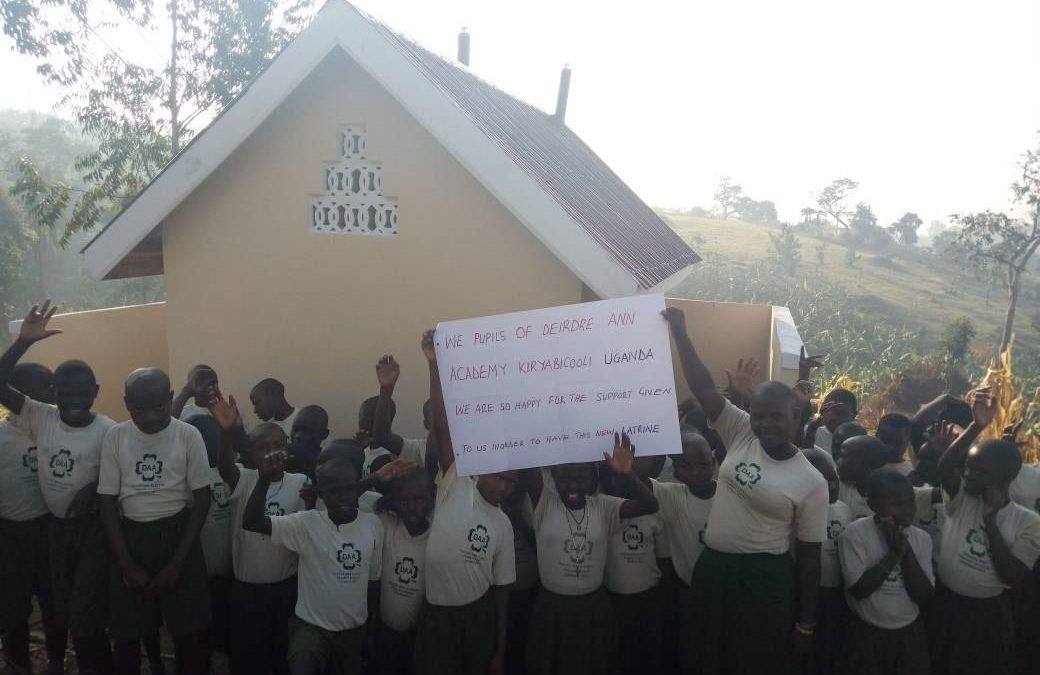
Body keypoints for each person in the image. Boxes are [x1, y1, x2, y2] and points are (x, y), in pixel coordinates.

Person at [664, 306, 828, 674]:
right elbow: (703, 387)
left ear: (796, 417)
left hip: (762, 583)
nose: (765, 423)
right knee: (702, 655)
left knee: (749, 660)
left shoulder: (811, 482)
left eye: (776, 416)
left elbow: (809, 559)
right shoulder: (741, 431)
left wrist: (806, 622)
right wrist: (680, 333)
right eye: (759, 414)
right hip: (713, 571)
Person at [0, 301, 116, 673]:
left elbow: (120, 475)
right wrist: (22, 343)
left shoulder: (104, 430)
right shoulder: (37, 417)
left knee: (71, 608)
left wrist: (96, 487)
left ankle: (77, 663)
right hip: (34, 532)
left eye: (83, 392)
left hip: (74, 530)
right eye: (62, 392)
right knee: (38, 608)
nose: (71, 398)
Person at [97, 368, 213, 674]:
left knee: (190, 635)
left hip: (179, 536)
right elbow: (107, 501)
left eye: (159, 407)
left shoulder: (188, 435)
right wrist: (126, 564)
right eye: (138, 409)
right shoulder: (116, 436)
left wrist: (177, 564)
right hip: (130, 539)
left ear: (171, 398)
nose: (149, 417)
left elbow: (202, 499)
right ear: (126, 403)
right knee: (126, 635)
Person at [413, 330, 516, 675]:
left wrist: (500, 652)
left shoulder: (503, 525)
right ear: (481, 470)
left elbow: (502, 593)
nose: (503, 487)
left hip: (478, 615)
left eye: (509, 482)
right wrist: (435, 364)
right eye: (497, 477)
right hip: (435, 613)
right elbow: (443, 426)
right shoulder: (456, 483)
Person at [522, 433, 659, 675]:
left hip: (593, 607)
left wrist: (627, 474)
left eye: (580, 478)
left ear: (592, 479)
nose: (572, 486)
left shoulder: (605, 506)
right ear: (553, 479)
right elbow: (528, 460)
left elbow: (650, 505)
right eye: (565, 478)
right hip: (551, 607)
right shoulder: (544, 502)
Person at [242, 449, 383, 675]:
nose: (344, 496)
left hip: (354, 629)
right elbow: (252, 522)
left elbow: (374, 582)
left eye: (349, 488)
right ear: (322, 494)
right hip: (311, 628)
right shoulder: (307, 524)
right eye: (334, 491)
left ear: (357, 487)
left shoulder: (373, 525)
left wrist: (372, 632)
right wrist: (263, 480)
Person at [932, 387, 1040, 675]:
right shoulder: (963, 499)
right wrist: (976, 426)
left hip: (984, 617)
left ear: (1004, 479)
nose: (968, 475)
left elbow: (1013, 576)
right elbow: (945, 468)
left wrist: (991, 523)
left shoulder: (1027, 522)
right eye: (968, 467)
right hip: (944, 603)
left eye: (979, 471)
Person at [208, 393, 309, 675]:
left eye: (277, 444)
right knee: (247, 656)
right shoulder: (245, 477)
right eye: (262, 447)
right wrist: (227, 433)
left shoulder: (300, 483)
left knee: (280, 654)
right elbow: (225, 467)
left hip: (284, 588)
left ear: (287, 447)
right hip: (246, 590)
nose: (271, 451)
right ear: (251, 454)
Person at [0, 362, 68, 673]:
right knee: (14, 609)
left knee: (54, 603)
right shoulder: (2, 435)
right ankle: (18, 663)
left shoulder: (53, 427)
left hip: (49, 529)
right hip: (11, 535)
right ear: (19, 394)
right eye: (46, 388)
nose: (52, 395)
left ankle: (55, 661)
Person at [839, 469, 934, 675]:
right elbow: (859, 590)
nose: (908, 510)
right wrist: (893, 555)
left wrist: (905, 552)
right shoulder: (855, 534)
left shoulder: (921, 538)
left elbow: (923, 594)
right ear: (873, 505)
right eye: (897, 504)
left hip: (908, 631)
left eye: (911, 502)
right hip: (867, 631)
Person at [652, 428, 716, 675]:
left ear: (713, 462)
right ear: (676, 471)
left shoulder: (731, 495)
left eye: (702, 463)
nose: (696, 471)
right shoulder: (672, 495)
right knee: (690, 652)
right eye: (686, 466)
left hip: (723, 592)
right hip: (688, 594)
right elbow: (640, 481)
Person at [602, 453, 667, 675]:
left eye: (638, 457)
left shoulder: (657, 499)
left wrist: (628, 474)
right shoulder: (600, 501)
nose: (631, 462)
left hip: (648, 598)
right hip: (611, 599)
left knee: (648, 656)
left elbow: (663, 556)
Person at [372, 462, 435, 675]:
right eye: (404, 500)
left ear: (431, 498)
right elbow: (347, 497)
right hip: (384, 629)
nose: (411, 506)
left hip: (420, 635)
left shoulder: (438, 534)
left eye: (419, 499)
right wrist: (374, 479)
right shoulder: (386, 524)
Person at [186, 414, 234, 659]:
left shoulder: (232, 472)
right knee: (201, 629)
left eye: (215, 437)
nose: (211, 444)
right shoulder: (188, 476)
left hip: (230, 569)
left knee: (226, 623)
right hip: (200, 569)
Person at [804, 447, 852, 675]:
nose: (832, 486)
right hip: (810, 597)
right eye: (823, 482)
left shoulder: (844, 510)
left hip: (839, 594)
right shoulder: (797, 515)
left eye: (834, 479)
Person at [372, 354, 435, 474]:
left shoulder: (472, 449)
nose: (443, 423)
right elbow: (383, 436)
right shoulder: (420, 449)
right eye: (436, 420)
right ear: (426, 424)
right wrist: (386, 389)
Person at [837, 435, 892, 520]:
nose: (838, 461)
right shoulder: (839, 487)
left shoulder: (889, 500)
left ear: (865, 463)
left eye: (843, 456)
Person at [804, 388, 858, 458]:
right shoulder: (808, 432)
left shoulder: (858, 442)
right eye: (832, 410)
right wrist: (812, 430)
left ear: (854, 415)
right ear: (823, 410)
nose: (835, 416)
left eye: (841, 412)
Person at [288, 404, 330, 480]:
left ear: (324, 434)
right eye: (295, 429)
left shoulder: (327, 467)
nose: (298, 436)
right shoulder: (282, 459)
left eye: (307, 431)